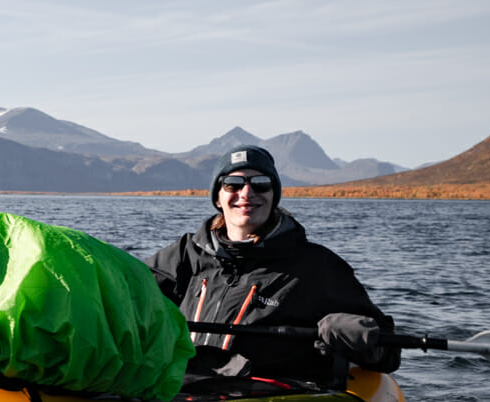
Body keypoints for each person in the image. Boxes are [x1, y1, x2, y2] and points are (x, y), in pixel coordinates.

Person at [148, 145, 400, 387]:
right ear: (218, 197)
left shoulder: (318, 267)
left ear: (273, 195)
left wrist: (359, 339)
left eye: (260, 184)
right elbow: (130, 293)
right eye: (233, 184)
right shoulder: (186, 253)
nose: (246, 193)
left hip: (267, 401)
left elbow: (388, 354)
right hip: (182, 388)